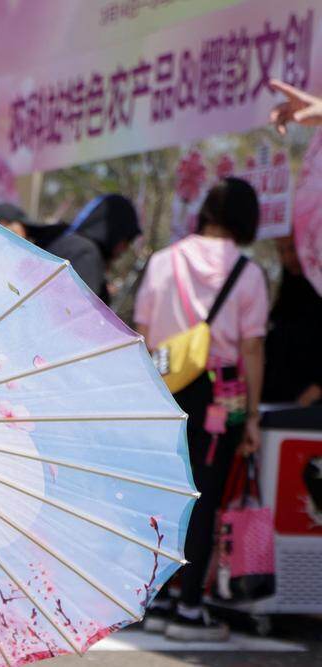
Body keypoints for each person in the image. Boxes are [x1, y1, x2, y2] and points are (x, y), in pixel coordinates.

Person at [133, 177, 268, 641]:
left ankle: (156, 596)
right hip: (221, 395)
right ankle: (189, 608)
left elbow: (143, 330)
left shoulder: (163, 260)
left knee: (165, 492)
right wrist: (252, 416)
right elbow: (252, 348)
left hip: (165, 385)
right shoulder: (248, 273)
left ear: (206, 211)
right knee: (203, 497)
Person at [0, 197, 141, 303]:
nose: (125, 248)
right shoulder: (85, 253)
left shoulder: (72, 243)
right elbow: (78, 315)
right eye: (126, 240)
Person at [263, 235, 322, 405]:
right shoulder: (284, 293)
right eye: (281, 251)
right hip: (281, 400)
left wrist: (319, 386)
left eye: (292, 248)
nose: (287, 258)